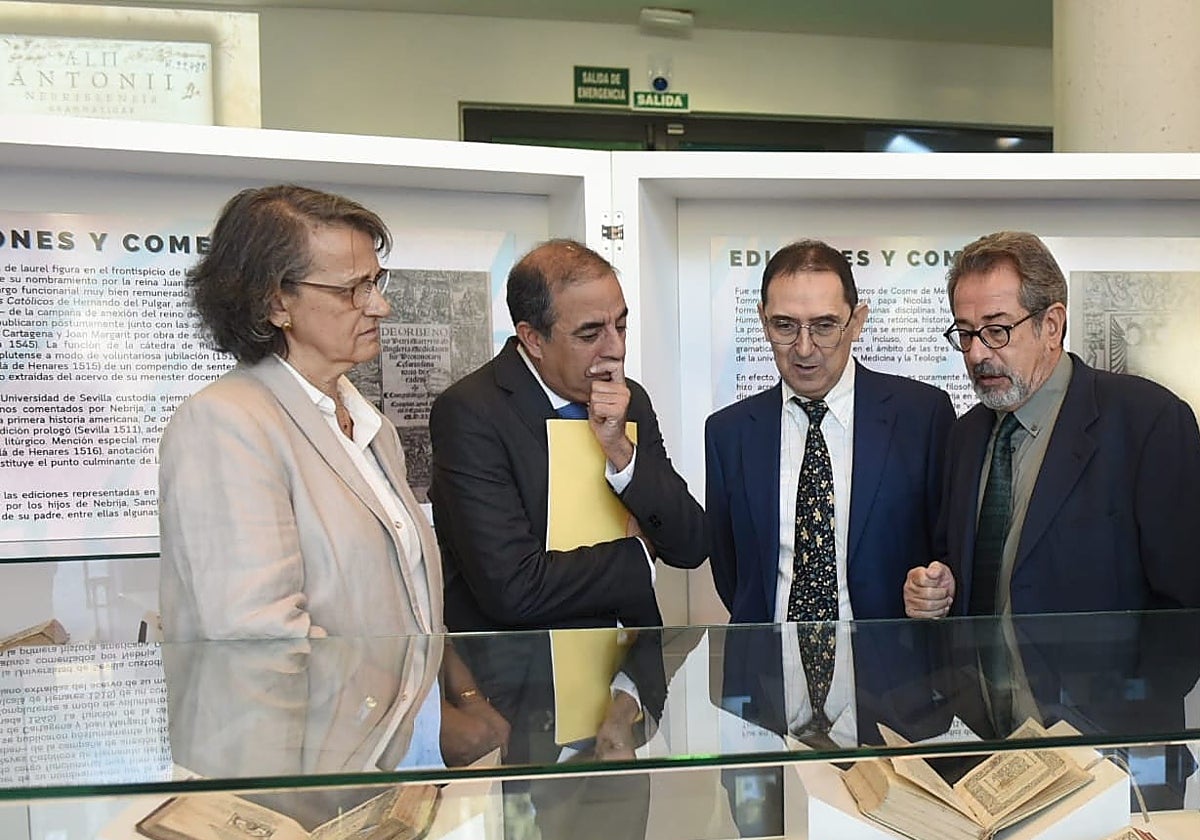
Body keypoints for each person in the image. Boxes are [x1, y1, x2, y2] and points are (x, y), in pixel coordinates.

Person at [158, 184, 441, 641]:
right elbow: (257, 633)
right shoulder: (224, 424)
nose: (380, 306)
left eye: (376, 281)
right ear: (275, 303)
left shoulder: (371, 425)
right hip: (306, 714)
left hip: (387, 712)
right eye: (354, 289)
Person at [905, 229, 1200, 619]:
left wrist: (1134, 682)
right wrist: (939, 587)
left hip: (1104, 680)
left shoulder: (1149, 422)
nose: (976, 353)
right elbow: (961, 562)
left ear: (1052, 326)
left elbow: (1184, 604)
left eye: (997, 330)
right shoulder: (966, 435)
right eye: (965, 333)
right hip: (972, 680)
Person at [428, 238, 706, 633]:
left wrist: (621, 450)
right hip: (527, 679)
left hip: (629, 675)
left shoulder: (632, 399)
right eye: (590, 334)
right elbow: (514, 589)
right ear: (533, 339)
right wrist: (638, 555)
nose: (615, 348)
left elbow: (691, 543)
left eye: (621, 325)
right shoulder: (471, 412)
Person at [705, 239, 954, 625]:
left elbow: (946, 549)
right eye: (784, 325)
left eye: (824, 326)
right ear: (762, 320)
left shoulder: (921, 416)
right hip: (767, 670)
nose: (804, 348)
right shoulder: (728, 433)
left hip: (889, 673)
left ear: (856, 322)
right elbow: (733, 574)